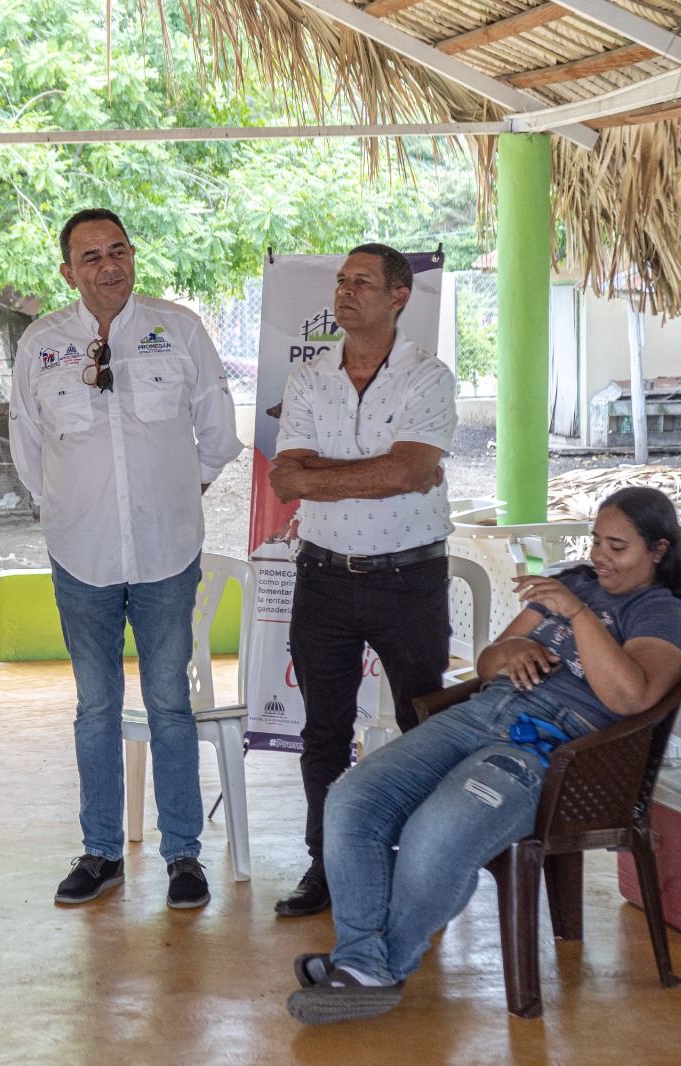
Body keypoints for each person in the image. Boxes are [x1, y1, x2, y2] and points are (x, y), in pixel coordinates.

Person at [286, 487, 681, 1024]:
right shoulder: (574, 583)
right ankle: (363, 964)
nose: (600, 556)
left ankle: (368, 969)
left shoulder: (665, 614)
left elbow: (631, 696)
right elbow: (487, 664)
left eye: (617, 547)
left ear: (659, 551)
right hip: (480, 713)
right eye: (596, 541)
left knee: (436, 833)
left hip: (548, 745)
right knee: (351, 797)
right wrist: (515, 649)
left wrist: (578, 615)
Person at [8, 208, 243, 909]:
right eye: (91, 257)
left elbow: (218, 433)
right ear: (68, 272)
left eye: (119, 251)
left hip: (168, 552)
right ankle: (102, 852)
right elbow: (28, 450)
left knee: (170, 701)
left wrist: (178, 494)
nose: (109, 266)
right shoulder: (42, 345)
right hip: (80, 555)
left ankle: (183, 856)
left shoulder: (179, 329)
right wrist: (72, 507)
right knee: (96, 706)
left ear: (133, 256)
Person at [266, 243, 457, 918]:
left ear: (399, 296)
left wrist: (327, 474)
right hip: (322, 578)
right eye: (342, 281)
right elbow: (285, 479)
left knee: (423, 726)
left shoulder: (427, 376)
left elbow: (410, 472)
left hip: (409, 579)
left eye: (363, 282)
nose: (345, 292)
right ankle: (328, 866)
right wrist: (381, 473)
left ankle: (422, 867)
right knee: (323, 731)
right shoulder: (309, 378)